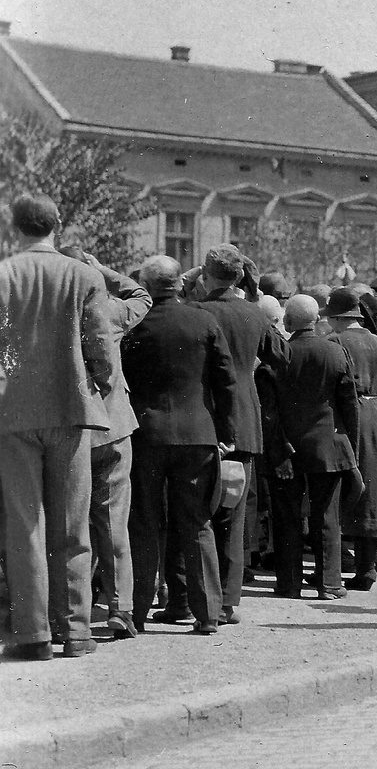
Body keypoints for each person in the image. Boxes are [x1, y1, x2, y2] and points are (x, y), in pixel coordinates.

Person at [0, 194, 116, 659]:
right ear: (58, 225)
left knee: (24, 523)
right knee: (72, 523)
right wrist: (100, 384)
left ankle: (32, 634)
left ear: (15, 227)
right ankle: (77, 630)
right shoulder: (85, 276)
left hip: (13, 412)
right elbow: (101, 348)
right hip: (71, 408)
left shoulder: (5, 273)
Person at [122, 255, 238, 635]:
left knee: (144, 523)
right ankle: (207, 614)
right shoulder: (204, 320)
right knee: (198, 522)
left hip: (147, 434)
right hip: (198, 434)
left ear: (147, 284)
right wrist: (227, 432)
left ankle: (135, 610)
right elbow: (225, 380)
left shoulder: (136, 324)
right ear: (177, 282)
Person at [60, 247, 152, 639]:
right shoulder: (108, 310)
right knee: (113, 520)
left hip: (66, 428)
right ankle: (120, 607)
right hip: (112, 426)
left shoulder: (43, 316)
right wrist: (103, 270)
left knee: (68, 523)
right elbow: (141, 296)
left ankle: (68, 610)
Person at [198, 244, 290, 623]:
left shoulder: (200, 311)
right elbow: (282, 356)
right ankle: (229, 600)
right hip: (246, 419)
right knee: (235, 515)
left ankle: (206, 596)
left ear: (207, 275)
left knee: (202, 511)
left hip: (207, 418)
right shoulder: (254, 315)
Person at [268, 294, 360, 600]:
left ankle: (289, 582)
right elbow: (349, 402)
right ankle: (330, 583)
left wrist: (279, 448)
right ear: (316, 319)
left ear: (289, 321)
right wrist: (350, 444)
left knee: (287, 516)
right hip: (327, 443)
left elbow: (270, 409)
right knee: (326, 516)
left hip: (288, 446)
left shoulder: (281, 354)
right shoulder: (334, 352)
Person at [324, 286, 377, 589]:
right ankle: (367, 567)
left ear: (336, 317)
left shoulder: (333, 342)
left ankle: (331, 569)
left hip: (345, 418)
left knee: (339, 490)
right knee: (373, 492)